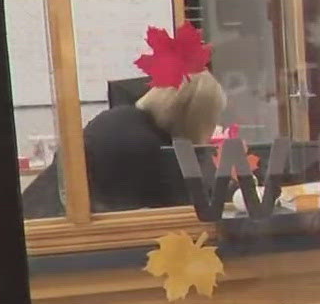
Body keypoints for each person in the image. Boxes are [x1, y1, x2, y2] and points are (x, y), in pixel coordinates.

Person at [21, 70, 226, 217]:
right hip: (56, 242)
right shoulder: (149, 147)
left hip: (35, 220)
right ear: (199, 116)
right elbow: (188, 210)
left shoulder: (119, 119)